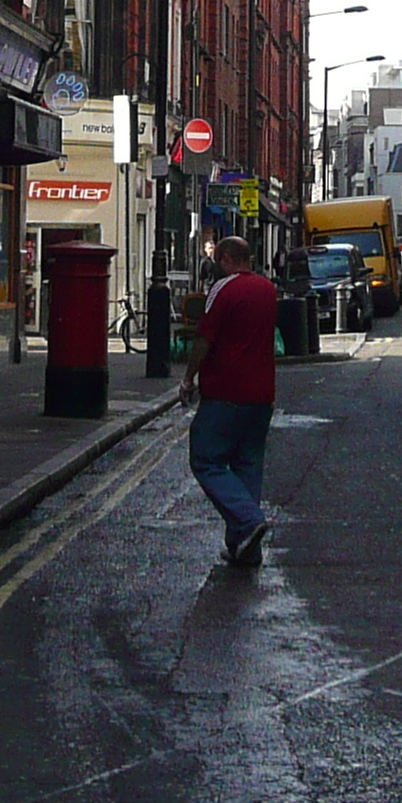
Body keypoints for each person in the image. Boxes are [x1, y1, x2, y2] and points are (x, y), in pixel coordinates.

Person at [182, 233, 278, 568]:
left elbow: (204, 338)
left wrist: (188, 377)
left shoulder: (223, 289)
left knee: (205, 460)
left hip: (225, 392)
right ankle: (245, 547)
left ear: (225, 259)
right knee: (247, 466)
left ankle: (249, 520)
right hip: (262, 395)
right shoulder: (268, 290)